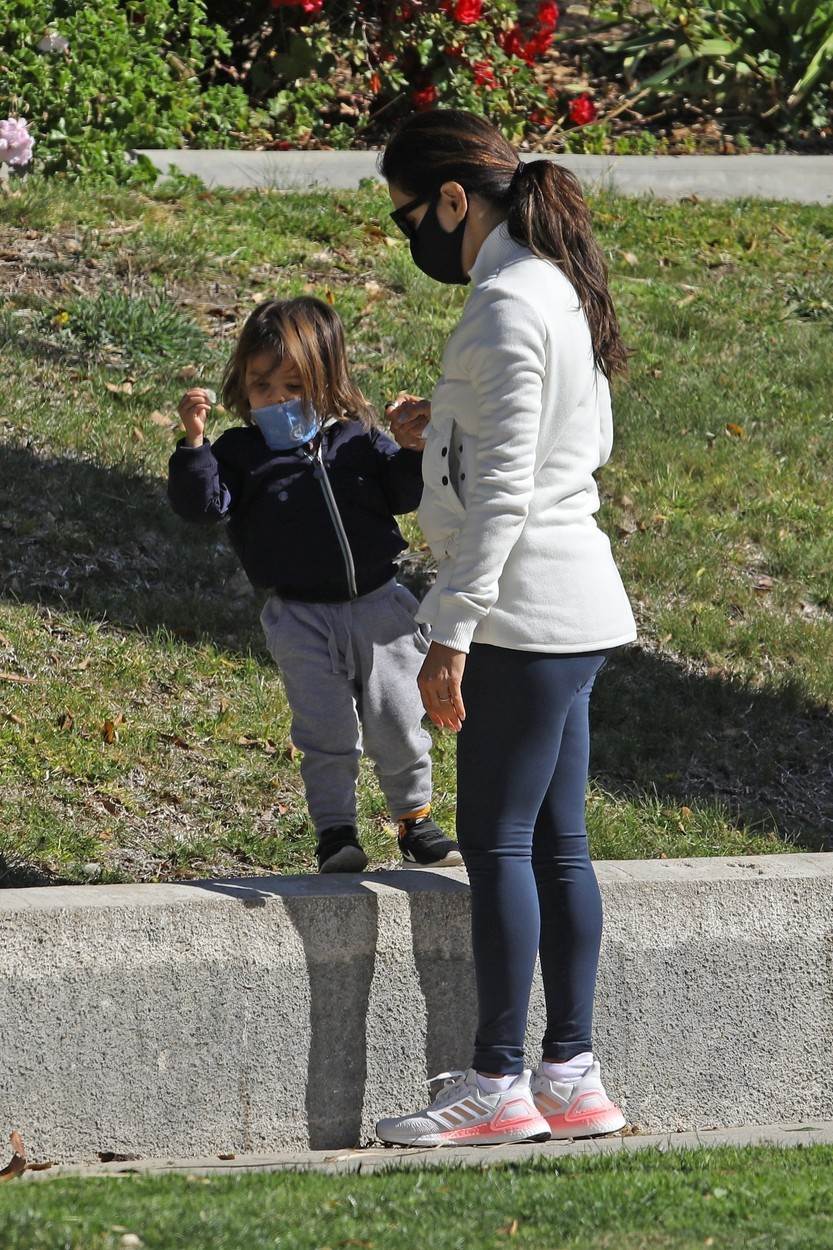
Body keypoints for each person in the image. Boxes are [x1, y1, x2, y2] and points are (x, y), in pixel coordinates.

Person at [374, 110, 637, 1147]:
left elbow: (506, 498)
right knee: (558, 845)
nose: (409, 236)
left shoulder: (502, 305)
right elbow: (569, 441)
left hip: (523, 612)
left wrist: (452, 628)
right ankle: (567, 1071)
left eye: (408, 214)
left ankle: (494, 1079)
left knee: (497, 844)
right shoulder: (552, 290)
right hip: (573, 606)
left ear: (452, 199)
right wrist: (436, 429)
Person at [167, 295, 461, 873]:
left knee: (398, 718)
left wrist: (413, 449)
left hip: (381, 607)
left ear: (327, 383)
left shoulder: (356, 439)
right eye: (261, 386)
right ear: (243, 388)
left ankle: (415, 820)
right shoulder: (241, 454)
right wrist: (195, 445)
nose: (276, 400)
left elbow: (403, 494)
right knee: (325, 729)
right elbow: (202, 504)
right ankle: (336, 834)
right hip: (298, 616)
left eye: (294, 387)